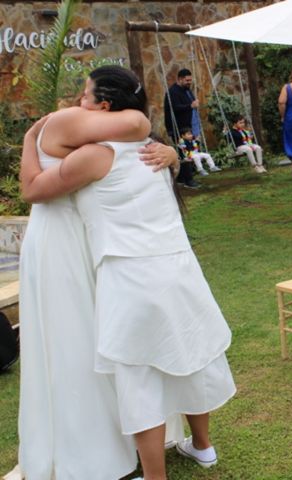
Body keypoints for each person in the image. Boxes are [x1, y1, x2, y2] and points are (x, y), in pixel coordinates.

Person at [21, 65, 236, 480]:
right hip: (180, 269)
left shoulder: (94, 155)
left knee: (137, 378)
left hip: (132, 277)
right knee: (188, 356)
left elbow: (33, 189)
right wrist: (174, 154)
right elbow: (142, 130)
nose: (77, 104)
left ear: (104, 107)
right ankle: (203, 446)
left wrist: (30, 140)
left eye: (85, 97)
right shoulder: (152, 150)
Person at [164, 68, 200, 188]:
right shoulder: (173, 92)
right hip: (177, 127)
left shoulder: (186, 91)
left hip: (187, 126)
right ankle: (188, 180)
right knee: (184, 153)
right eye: (187, 80)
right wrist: (190, 105)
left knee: (186, 151)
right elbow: (175, 108)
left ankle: (182, 178)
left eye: (190, 80)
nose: (189, 82)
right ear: (180, 79)